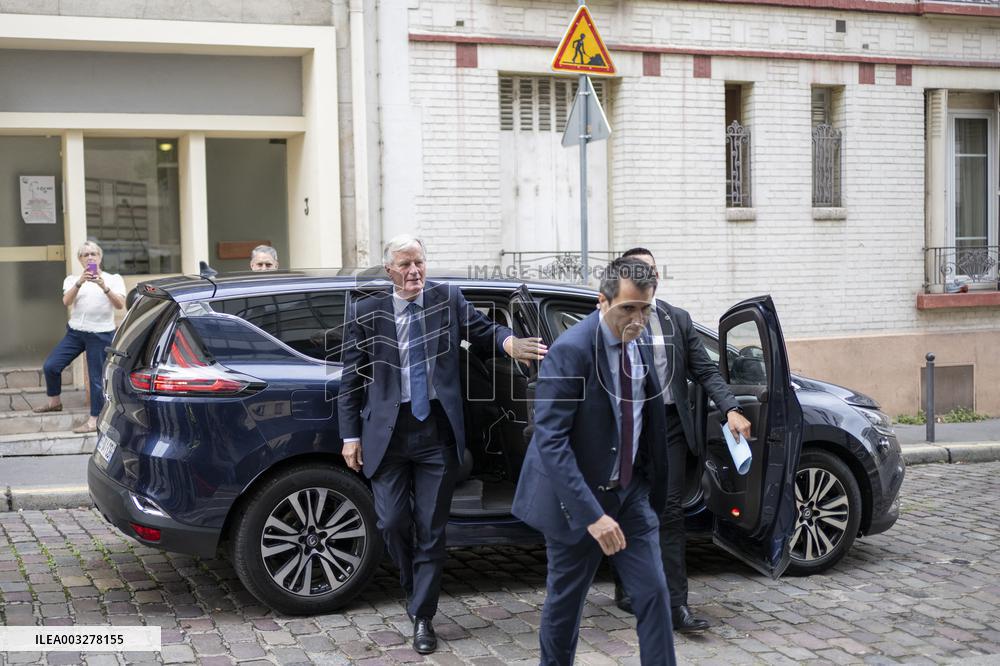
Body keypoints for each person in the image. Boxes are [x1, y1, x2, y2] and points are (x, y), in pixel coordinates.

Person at [338, 235, 546, 654]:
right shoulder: (365, 312)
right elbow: (349, 379)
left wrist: (511, 344)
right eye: (404, 265)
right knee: (393, 523)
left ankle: (423, 617)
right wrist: (350, 435)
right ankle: (416, 592)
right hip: (387, 434)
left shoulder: (447, 299)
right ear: (389, 271)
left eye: (419, 262)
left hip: (436, 432)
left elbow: (485, 331)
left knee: (432, 530)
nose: (414, 271)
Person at [512, 257, 676, 666]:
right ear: (602, 302)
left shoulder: (638, 346)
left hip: (629, 496)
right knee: (566, 604)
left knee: (655, 593)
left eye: (645, 309)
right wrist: (591, 515)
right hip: (576, 502)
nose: (637, 318)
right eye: (627, 309)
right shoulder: (570, 352)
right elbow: (551, 440)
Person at [612, 247, 752, 633]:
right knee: (628, 506)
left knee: (670, 511)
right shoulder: (615, 317)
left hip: (670, 426)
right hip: (628, 427)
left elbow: (705, 369)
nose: (649, 276)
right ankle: (625, 587)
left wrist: (731, 409)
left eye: (653, 270)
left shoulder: (677, 319)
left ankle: (677, 606)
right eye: (640, 270)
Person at [36, 241, 126, 433]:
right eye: (85, 255)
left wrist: (104, 287)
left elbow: (120, 305)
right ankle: (54, 402)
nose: (90, 257)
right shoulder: (72, 280)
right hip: (75, 332)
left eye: (94, 253)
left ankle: (94, 420)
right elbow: (66, 301)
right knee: (51, 366)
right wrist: (80, 282)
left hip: (101, 334)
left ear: (100, 257)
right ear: (80, 259)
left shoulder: (113, 279)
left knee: (95, 378)